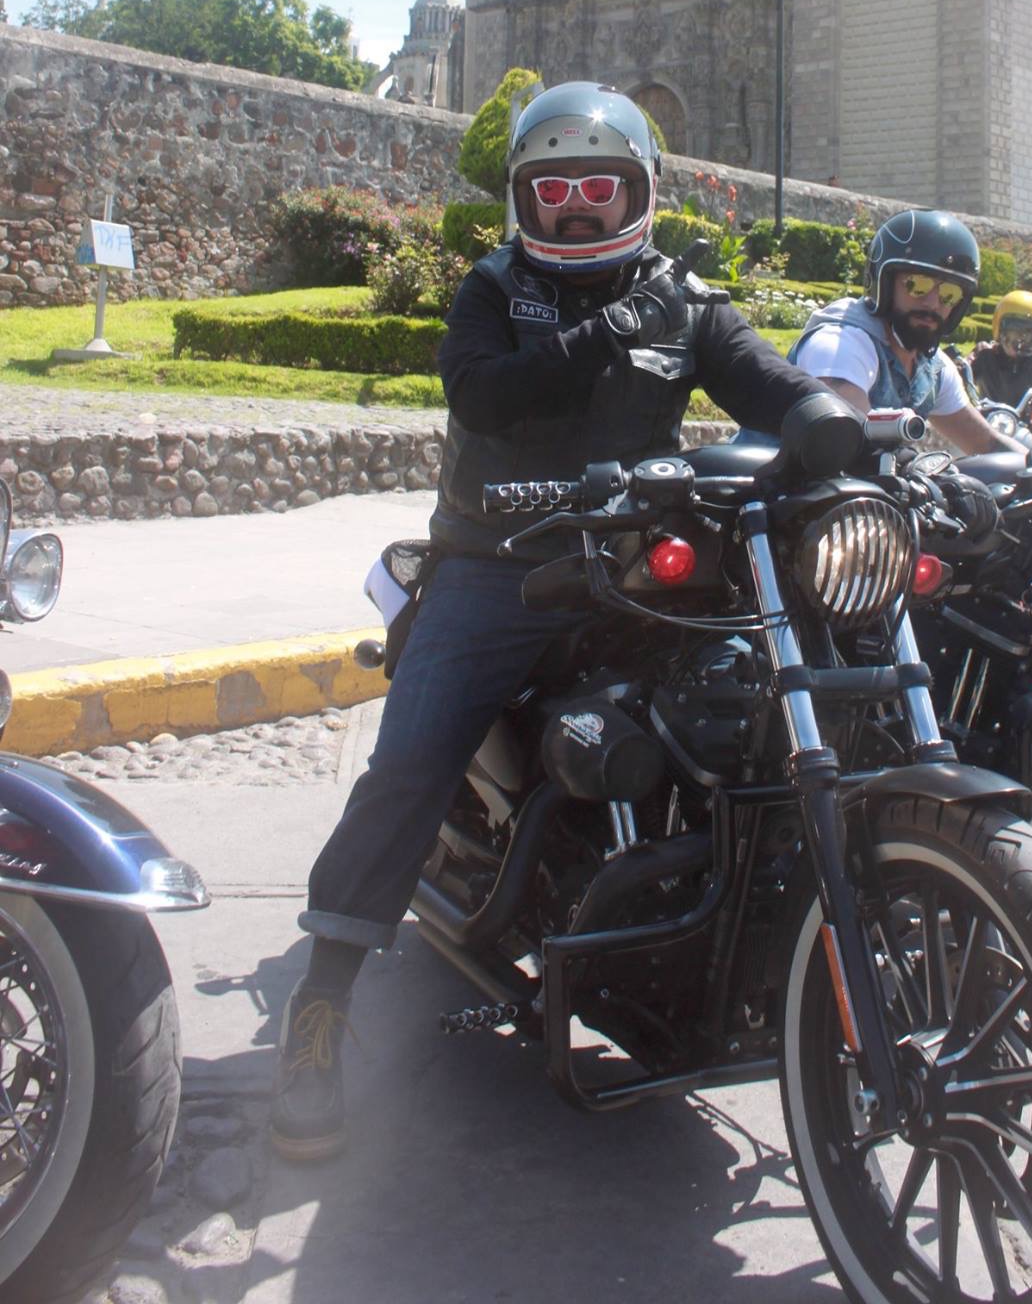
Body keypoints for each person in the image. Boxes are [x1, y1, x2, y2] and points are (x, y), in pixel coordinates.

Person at [270, 82, 835, 1161]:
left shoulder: (685, 297)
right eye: (555, 187)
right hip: (504, 566)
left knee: (768, 708)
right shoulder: (495, 288)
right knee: (414, 756)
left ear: (639, 193)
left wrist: (832, 422)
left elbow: (768, 379)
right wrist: (597, 335)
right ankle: (322, 1003)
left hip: (649, 572)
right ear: (527, 198)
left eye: (599, 186)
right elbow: (485, 396)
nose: (576, 206)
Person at [786, 209, 1018, 454]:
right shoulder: (841, 343)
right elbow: (845, 431)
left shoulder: (933, 368)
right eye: (917, 285)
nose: (932, 302)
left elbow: (986, 443)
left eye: (950, 293)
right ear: (885, 283)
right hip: (774, 486)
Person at [971, 290, 1032, 407]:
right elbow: (960, 372)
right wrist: (957, 367)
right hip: (987, 418)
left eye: (1030, 332)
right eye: (1016, 330)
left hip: (1030, 422)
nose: (1023, 339)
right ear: (1000, 328)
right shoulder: (984, 353)